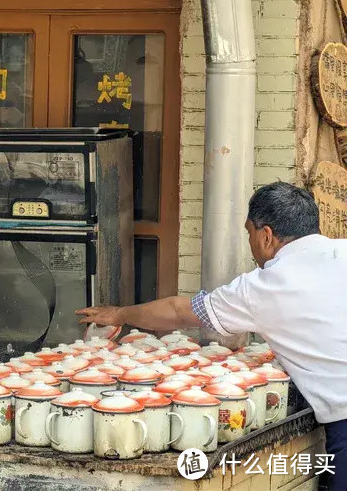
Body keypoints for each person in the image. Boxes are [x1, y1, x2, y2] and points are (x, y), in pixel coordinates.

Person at [77, 182, 346, 489]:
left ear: (266, 235)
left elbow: (180, 313)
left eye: (249, 235)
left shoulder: (265, 286)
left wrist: (120, 314)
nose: (251, 245)